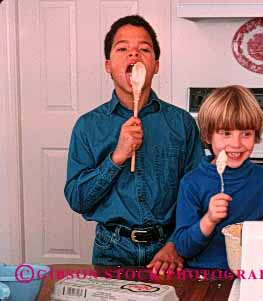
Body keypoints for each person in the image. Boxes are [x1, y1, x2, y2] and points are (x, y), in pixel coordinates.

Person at [64, 15, 204, 273]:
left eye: (144, 49)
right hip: (112, 249)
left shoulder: (181, 123)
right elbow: (78, 200)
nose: (134, 55)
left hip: (169, 250)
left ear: (156, 64)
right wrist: (117, 156)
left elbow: (197, 193)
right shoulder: (88, 126)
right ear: (108, 64)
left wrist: (176, 244)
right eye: (123, 49)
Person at [173, 85, 263, 269]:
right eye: (226, 133)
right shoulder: (192, 183)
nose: (236, 144)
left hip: (254, 274)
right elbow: (183, 248)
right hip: (204, 276)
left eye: (246, 134)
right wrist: (209, 219)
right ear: (207, 135)